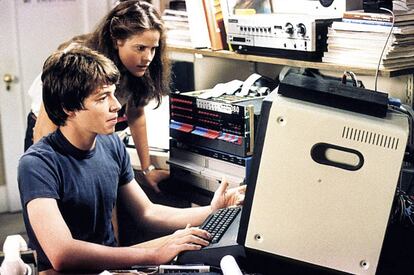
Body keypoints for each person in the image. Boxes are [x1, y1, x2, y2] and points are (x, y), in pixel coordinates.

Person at [18, 45, 245, 273]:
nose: (116, 105)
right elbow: (63, 254)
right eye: (102, 98)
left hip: (110, 269)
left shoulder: (112, 145)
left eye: (113, 93)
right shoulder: (37, 164)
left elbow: (147, 213)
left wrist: (212, 210)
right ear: (69, 108)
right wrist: (154, 253)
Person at [28, 0, 170, 192]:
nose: (148, 57)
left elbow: (136, 115)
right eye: (140, 48)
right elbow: (44, 131)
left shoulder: (139, 68)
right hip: (52, 126)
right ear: (116, 40)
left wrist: (146, 171)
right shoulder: (77, 61)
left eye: (153, 48)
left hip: (89, 131)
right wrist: (47, 178)